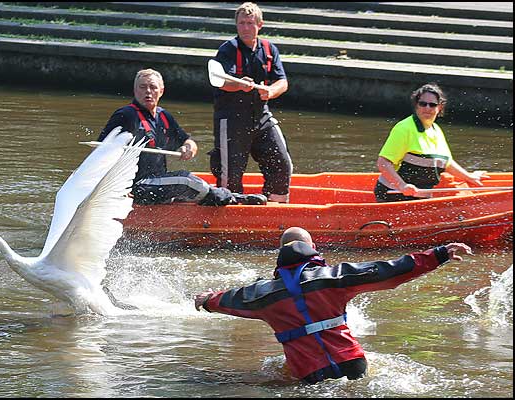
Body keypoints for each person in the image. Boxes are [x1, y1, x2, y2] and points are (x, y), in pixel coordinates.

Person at [194, 226, 472, 384]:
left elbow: (226, 300)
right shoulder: (333, 278)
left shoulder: (262, 295)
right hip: (353, 364)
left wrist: (206, 300)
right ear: (313, 249)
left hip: (309, 374)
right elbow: (389, 271)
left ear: (280, 255)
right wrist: (438, 255)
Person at [98, 68, 267, 206]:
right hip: (137, 186)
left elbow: (187, 140)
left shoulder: (164, 116)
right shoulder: (125, 115)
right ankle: (231, 198)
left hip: (157, 182)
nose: (148, 92)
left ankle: (225, 199)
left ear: (161, 91)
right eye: (142, 87)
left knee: (188, 181)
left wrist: (188, 147)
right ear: (135, 90)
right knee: (185, 180)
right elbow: (100, 150)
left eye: (152, 87)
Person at [209, 2, 293, 203]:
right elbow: (222, 82)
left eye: (250, 23)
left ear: (260, 24)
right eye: (241, 23)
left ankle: (275, 206)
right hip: (231, 119)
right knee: (231, 177)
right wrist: (239, 86)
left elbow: (283, 82)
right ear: (236, 25)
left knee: (282, 163)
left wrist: (271, 91)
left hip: (261, 116)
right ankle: (228, 212)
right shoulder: (227, 50)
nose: (245, 28)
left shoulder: (269, 49)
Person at [374, 82, 489, 202]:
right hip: (394, 195)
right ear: (416, 106)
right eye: (423, 104)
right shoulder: (404, 128)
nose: (427, 108)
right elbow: (383, 163)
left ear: (439, 107)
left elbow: (447, 164)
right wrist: (402, 185)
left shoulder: (436, 130)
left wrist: (470, 177)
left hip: (421, 198)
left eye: (432, 104)